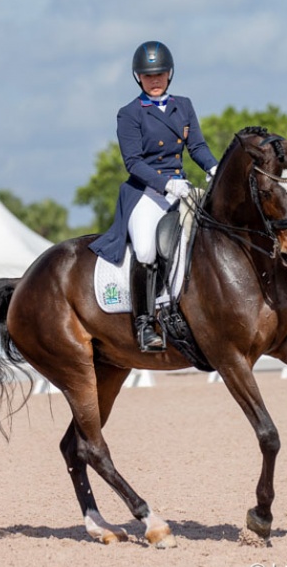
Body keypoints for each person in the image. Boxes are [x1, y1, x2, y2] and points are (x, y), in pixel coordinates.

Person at [89, 41, 218, 352]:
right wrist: (167, 185)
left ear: (170, 74)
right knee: (146, 249)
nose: (155, 80)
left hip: (182, 188)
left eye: (160, 74)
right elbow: (133, 162)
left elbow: (196, 147)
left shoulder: (183, 105)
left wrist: (214, 167)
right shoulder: (129, 114)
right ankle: (145, 323)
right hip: (146, 192)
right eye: (149, 76)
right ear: (138, 78)